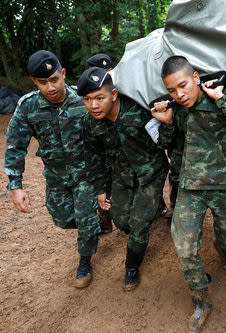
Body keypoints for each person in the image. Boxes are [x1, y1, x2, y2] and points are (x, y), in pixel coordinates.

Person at [151, 56, 226, 332]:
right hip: (191, 187)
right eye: (173, 90)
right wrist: (165, 122)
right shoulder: (176, 110)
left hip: (225, 186)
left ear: (196, 77)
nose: (180, 94)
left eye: (184, 85)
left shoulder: (224, 96)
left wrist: (222, 99)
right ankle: (201, 301)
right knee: (185, 248)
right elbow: (164, 144)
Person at [4, 50, 100, 289]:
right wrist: (16, 186)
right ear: (34, 81)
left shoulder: (84, 100)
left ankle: (85, 261)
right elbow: (16, 145)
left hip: (86, 173)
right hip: (56, 175)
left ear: (63, 74)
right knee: (63, 218)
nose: (51, 87)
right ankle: (95, 219)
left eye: (55, 79)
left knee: (86, 218)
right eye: (43, 82)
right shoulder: (28, 107)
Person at [77, 67, 169, 291]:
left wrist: (167, 122)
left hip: (151, 173)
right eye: (87, 99)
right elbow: (94, 157)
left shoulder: (139, 110)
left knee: (138, 225)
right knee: (120, 220)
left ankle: (132, 266)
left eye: (100, 98)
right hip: (123, 175)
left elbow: (166, 140)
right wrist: (100, 189)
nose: (94, 105)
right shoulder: (91, 123)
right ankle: (148, 215)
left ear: (114, 94)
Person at [86, 53, 114, 234]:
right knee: (103, 183)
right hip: (101, 151)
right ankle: (104, 220)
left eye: (108, 71)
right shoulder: (89, 95)